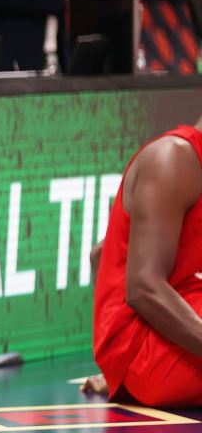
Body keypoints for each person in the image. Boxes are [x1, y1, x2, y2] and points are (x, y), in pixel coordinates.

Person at [83, 117, 202, 407]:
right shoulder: (173, 158)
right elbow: (143, 288)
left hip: (166, 327)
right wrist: (121, 360)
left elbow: (101, 253)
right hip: (143, 342)